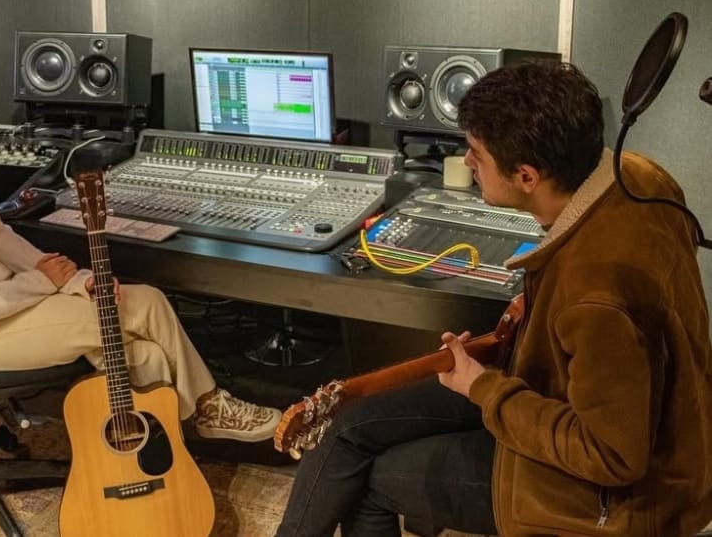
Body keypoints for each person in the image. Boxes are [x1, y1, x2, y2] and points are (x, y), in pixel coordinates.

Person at [275, 60, 712, 537]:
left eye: (477, 153)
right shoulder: (639, 176)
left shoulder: (596, 295)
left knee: (372, 481)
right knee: (348, 422)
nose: (467, 162)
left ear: (527, 176)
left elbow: (611, 455)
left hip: (611, 497)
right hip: (549, 395)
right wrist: (531, 316)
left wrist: (484, 388)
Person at [0, 89, 281, 443]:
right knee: (143, 310)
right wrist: (42, 282)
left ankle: (163, 443)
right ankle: (203, 409)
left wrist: (75, 281)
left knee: (145, 337)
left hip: (18, 304)